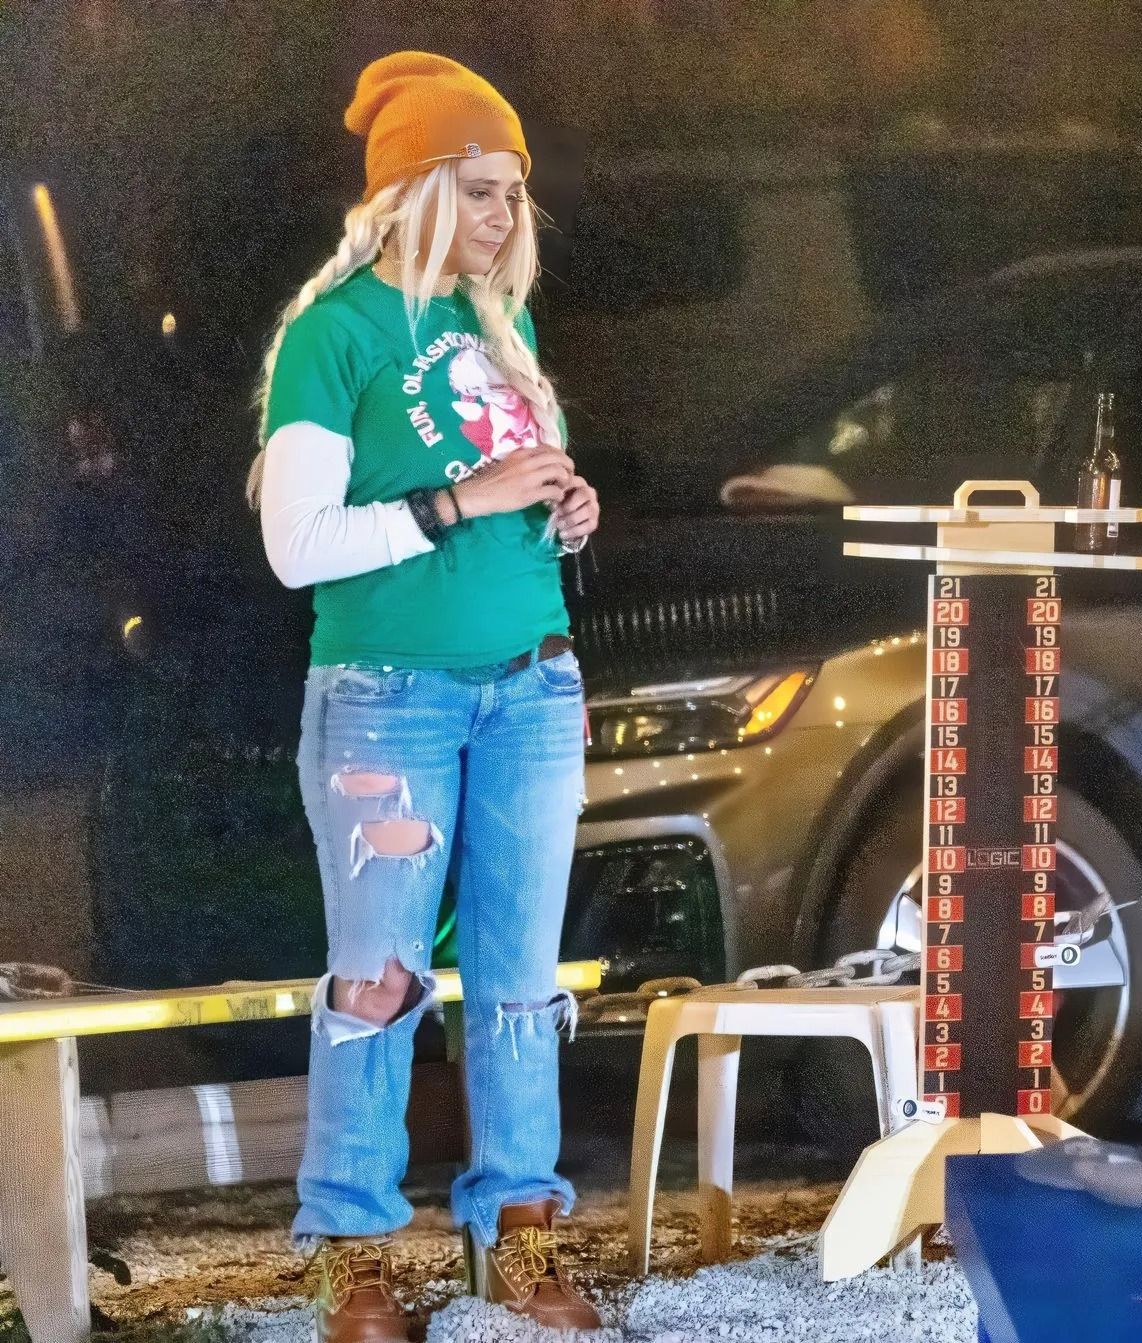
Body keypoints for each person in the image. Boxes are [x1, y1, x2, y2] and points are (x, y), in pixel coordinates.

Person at [250, 52, 602, 1340]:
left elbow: (507, 508)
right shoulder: (333, 335)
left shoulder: (495, 326)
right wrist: (463, 499)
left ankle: (519, 1232)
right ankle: (353, 1248)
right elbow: (298, 544)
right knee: (378, 975)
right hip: (386, 697)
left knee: (519, 976)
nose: (508, 216)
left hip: (532, 684)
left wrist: (562, 510)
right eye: (482, 189)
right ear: (411, 191)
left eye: (515, 193)